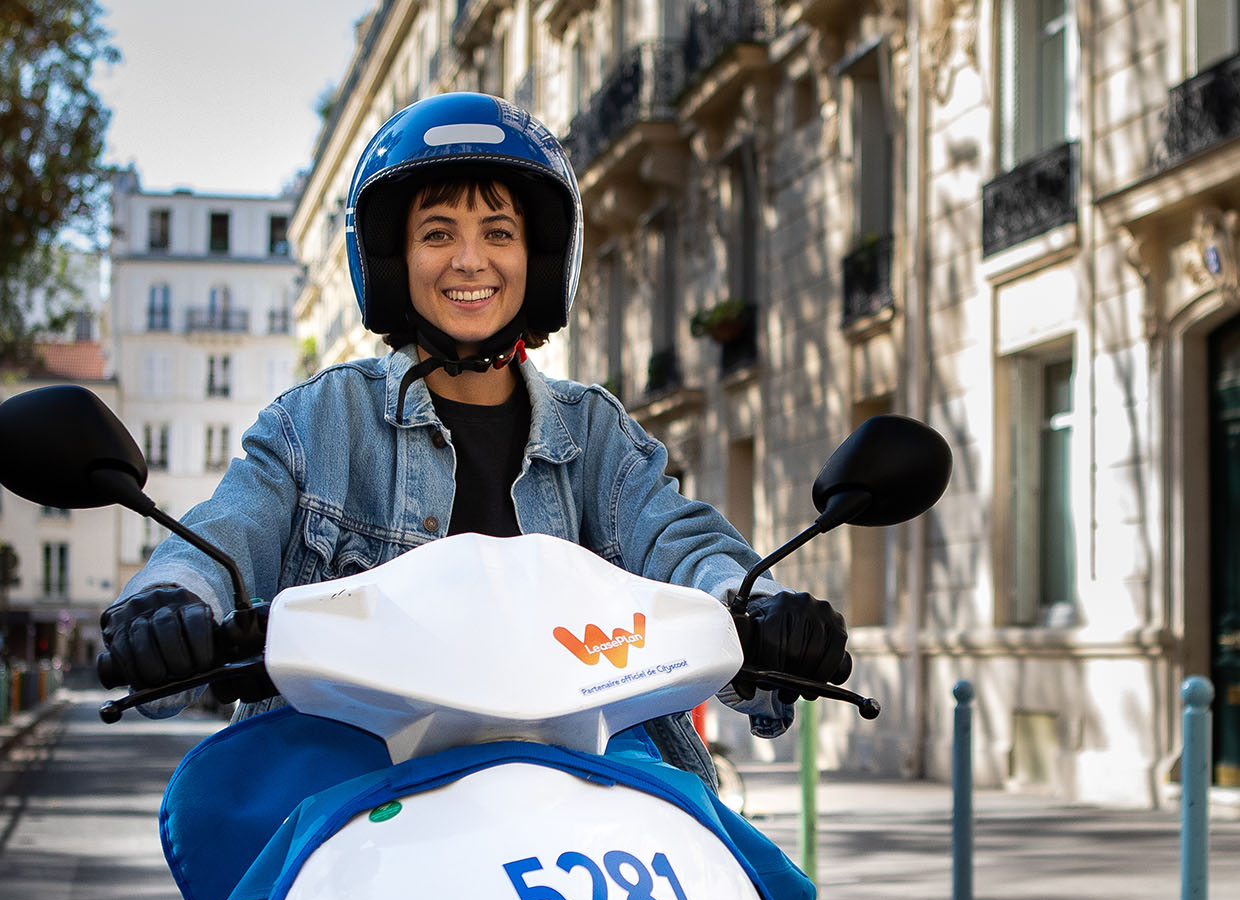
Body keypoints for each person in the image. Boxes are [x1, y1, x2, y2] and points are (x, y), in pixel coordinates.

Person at [99, 92, 851, 788]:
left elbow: (680, 543)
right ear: (392, 259)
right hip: (354, 814)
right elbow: (227, 534)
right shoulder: (318, 422)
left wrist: (759, 610)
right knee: (243, 895)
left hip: (582, 814)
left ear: (537, 258)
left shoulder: (595, 435)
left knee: (752, 886)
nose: (470, 260)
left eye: (499, 232)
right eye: (437, 234)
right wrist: (171, 605)